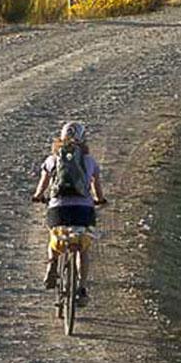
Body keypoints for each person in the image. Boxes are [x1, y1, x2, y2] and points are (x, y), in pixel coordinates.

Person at [30, 121, 107, 299]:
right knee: (83, 248)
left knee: (54, 237)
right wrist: (100, 200)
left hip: (59, 209)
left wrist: (38, 196)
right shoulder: (90, 161)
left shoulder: (52, 159)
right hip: (83, 210)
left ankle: (52, 264)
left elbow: (43, 184)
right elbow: (97, 189)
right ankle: (81, 288)